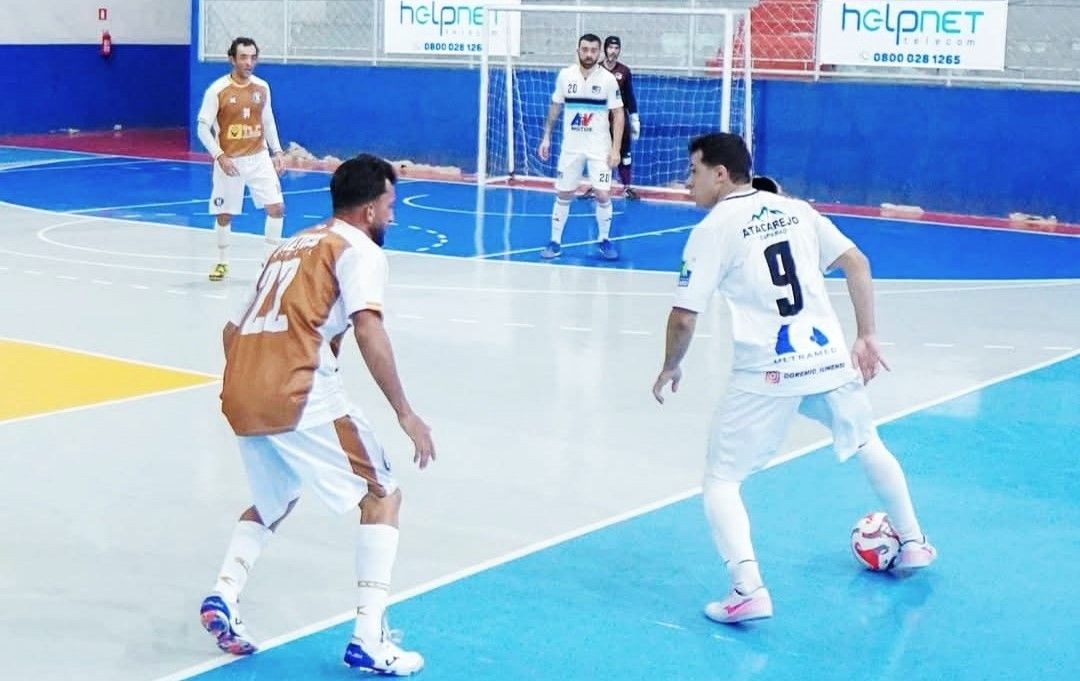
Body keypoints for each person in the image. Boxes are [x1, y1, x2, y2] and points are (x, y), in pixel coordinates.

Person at [651, 133, 936, 625]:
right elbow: (858, 263)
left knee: (721, 481)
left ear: (721, 174)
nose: (687, 181)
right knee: (868, 441)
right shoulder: (797, 209)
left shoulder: (714, 229)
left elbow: (683, 316)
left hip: (767, 370)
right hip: (825, 359)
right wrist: (866, 334)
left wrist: (671, 364)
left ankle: (748, 589)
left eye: (693, 171)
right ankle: (912, 542)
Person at [199, 154, 435, 676]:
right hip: (299, 390)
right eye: (390, 205)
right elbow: (368, 328)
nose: (393, 216)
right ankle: (368, 638)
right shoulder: (360, 250)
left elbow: (230, 331)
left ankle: (224, 593)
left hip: (241, 387)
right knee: (382, 494)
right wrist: (406, 413)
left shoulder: (290, 246)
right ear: (371, 207)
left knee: (274, 496)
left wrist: (256, 378)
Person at [196, 36, 287, 281]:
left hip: (258, 158)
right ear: (232, 59)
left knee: (277, 208)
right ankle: (222, 262)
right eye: (244, 57)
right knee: (225, 215)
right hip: (230, 162)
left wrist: (277, 151)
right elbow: (202, 128)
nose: (249, 62)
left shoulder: (262, 87)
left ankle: (269, 263)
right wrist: (220, 155)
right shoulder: (217, 90)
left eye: (253, 57)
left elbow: (267, 121)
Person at [538, 33, 624, 261]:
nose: (589, 54)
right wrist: (546, 137)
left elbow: (618, 114)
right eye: (584, 49)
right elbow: (555, 106)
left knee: (603, 194)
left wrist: (615, 149)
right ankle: (555, 242)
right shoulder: (566, 76)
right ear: (578, 50)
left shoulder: (607, 79)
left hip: (600, 148)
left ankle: (604, 240)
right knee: (564, 193)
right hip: (572, 148)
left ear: (599, 52)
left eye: (593, 50)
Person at [582, 36, 641, 201]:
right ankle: (596, 186)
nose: (613, 51)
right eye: (610, 48)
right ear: (605, 49)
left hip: (620, 120)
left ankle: (627, 187)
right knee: (599, 155)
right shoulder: (595, 69)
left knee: (624, 155)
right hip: (600, 120)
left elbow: (630, 96)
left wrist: (635, 118)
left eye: (616, 48)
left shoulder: (624, 71)